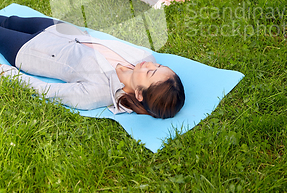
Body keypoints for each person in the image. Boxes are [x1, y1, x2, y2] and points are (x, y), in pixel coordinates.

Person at [0, 14, 185, 118]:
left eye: (151, 72)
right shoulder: (143, 56)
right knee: (10, 20)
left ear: (139, 94)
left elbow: (47, 90)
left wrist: (7, 73)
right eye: (159, 65)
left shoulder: (99, 93)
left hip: (33, 50)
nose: (150, 64)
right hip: (63, 31)